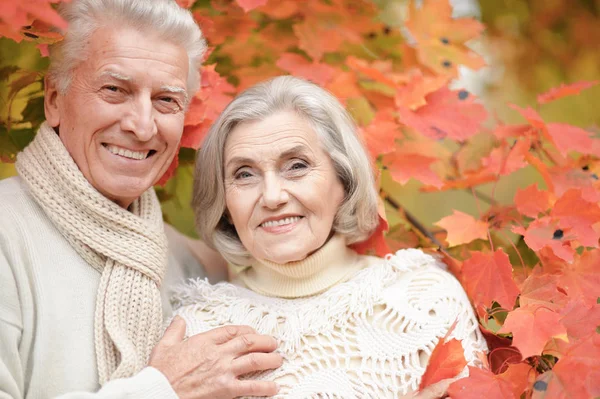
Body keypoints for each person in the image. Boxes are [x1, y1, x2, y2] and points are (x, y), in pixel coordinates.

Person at [0, 0, 282, 398]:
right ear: (54, 100)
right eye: (115, 90)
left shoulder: (191, 261)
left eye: (166, 100)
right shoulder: (7, 234)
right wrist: (161, 390)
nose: (143, 125)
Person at [172, 76, 488, 398]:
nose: (271, 196)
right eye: (244, 174)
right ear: (224, 203)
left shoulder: (424, 300)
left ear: (344, 180)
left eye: (296, 165)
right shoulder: (195, 331)